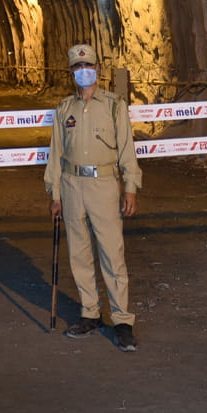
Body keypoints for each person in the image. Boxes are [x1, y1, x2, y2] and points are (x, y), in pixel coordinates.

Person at [46, 44, 142, 351]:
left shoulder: (114, 105)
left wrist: (130, 187)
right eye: (76, 67)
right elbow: (55, 155)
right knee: (79, 253)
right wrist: (55, 193)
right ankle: (90, 312)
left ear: (97, 69)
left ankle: (122, 320)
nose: (82, 71)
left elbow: (127, 149)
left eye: (87, 65)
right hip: (72, 184)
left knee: (112, 253)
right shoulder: (64, 109)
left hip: (103, 183)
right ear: (71, 73)